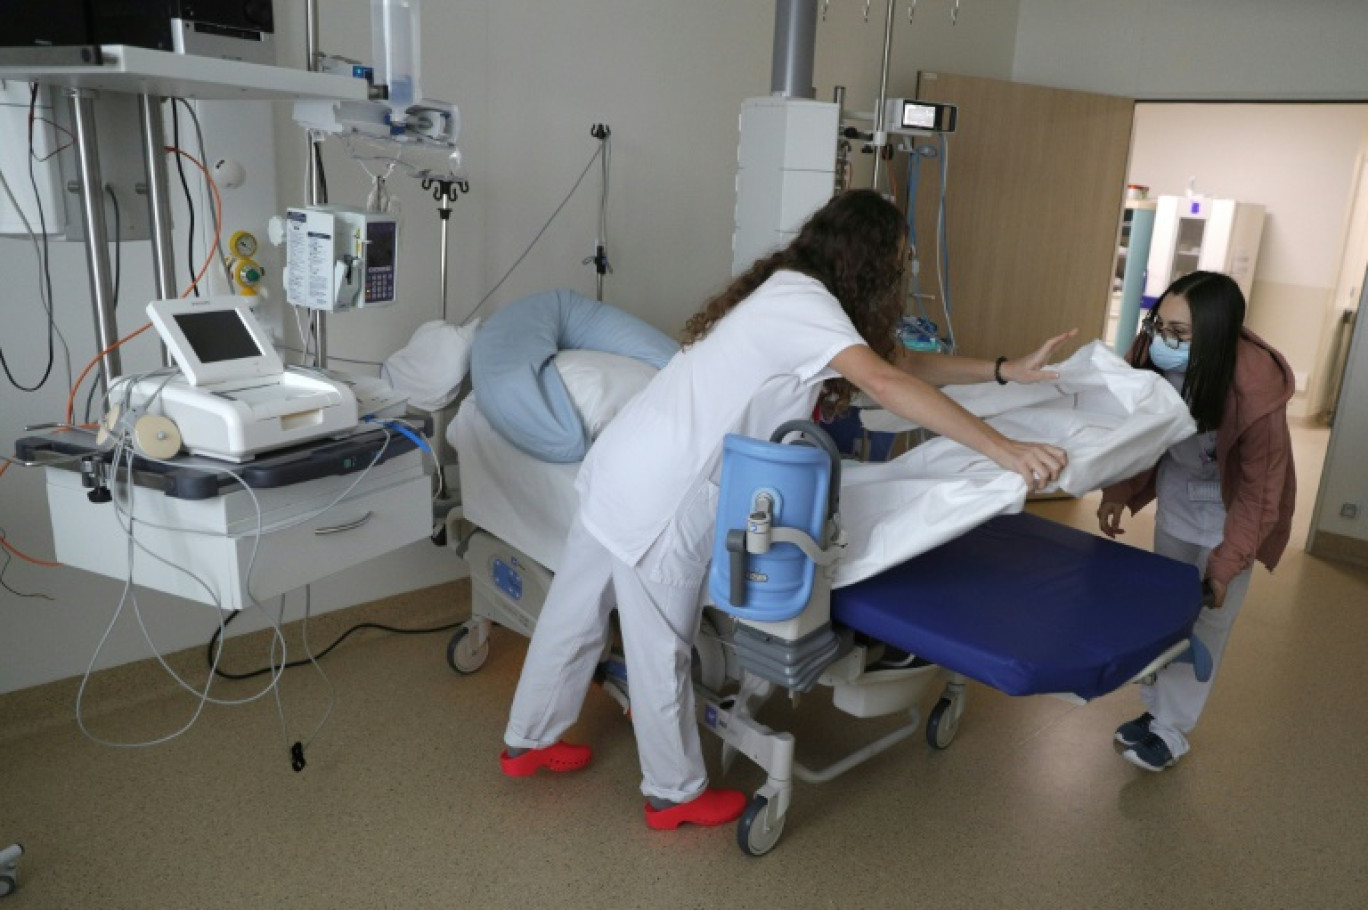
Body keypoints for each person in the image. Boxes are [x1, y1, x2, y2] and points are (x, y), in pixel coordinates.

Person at [501, 189, 1074, 831]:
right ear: (869, 259)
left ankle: (529, 740)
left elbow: (899, 362)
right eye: (903, 258)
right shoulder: (804, 304)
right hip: (666, 495)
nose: (906, 271)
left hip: (620, 469)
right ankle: (674, 792)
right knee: (661, 650)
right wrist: (1004, 448)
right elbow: (887, 384)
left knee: (574, 614)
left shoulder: (788, 289)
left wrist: (1005, 371)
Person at [1098, 270, 1296, 772]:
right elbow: (1134, 434)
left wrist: (1228, 565)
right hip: (1180, 498)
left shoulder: (1254, 388)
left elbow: (1259, 495)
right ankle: (1155, 714)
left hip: (1235, 513)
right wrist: (1117, 491)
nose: (1162, 339)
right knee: (1168, 607)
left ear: (1216, 335)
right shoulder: (1150, 355)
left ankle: (1172, 731)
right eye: (1158, 325)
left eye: (1179, 334)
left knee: (1208, 619)